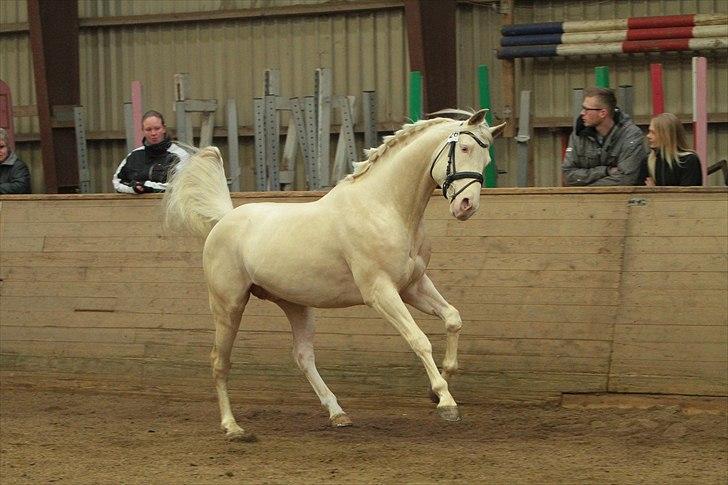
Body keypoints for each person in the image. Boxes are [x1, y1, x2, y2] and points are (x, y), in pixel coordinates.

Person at [562, 87, 648, 186]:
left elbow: (626, 179)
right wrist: (605, 171)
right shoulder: (579, 134)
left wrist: (586, 189)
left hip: (623, 200)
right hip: (584, 200)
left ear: (603, 113)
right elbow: (568, 175)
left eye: (587, 109)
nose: (582, 113)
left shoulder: (630, 136)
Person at [112, 110, 191, 193]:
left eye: (157, 128)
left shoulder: (181, 155)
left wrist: (147, 186)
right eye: (148, 129)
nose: (153, 133)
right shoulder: (134, 156)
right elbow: (117, 182)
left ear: (164, 129)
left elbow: (180, 185)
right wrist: (133, 188)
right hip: (136, 205)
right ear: (143, 131)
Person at [640, 112, 702, 186]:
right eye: (649, 131)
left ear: (666, 136)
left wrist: (655, 191)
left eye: (653, 133)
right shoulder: (647, 161)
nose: (648, 136)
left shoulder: (689, 161)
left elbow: (688, 195)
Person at [0, 128, 31, 194]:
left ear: (8, 147)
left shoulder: (19, 166)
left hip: (14, 203)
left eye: (1, 147)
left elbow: (20, 187)